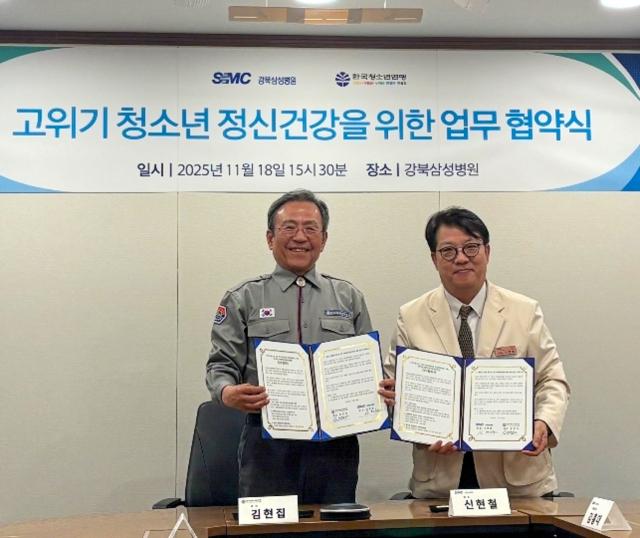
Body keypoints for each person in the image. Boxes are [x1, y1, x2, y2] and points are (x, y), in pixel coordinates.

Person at [379, 207, 570, 497]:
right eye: (448, 251)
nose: (461, 258)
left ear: (487, 251)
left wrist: (543, 422)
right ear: (434, 259)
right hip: (440, 476)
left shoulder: (524, 311)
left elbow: (553, 380)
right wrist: (412, 423)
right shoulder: (411, 315)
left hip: (516, 478)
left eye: (471, 247)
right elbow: (393, 390)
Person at [206, 189, 372, 504]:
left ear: (324, 239)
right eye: (289, 227)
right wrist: (227, 392)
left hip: (335, 442)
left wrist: (377, 390)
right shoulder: (243, 297)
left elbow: (365, 367)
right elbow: (220, 365)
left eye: (310, 228)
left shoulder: (349, 297)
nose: (300, 237)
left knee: (333, 525)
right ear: (270, 238)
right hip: (267, 442)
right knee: (269, 526)